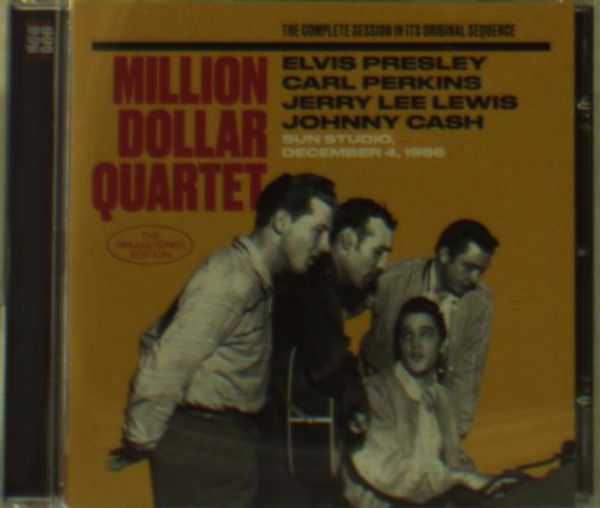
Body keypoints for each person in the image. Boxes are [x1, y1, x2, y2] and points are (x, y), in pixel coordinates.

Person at [106, 172, 337, 508]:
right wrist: (140, 438)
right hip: (206, 442)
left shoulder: (253, 277)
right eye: (318, 230)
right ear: (282, 222)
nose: (325, 246)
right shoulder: (230, 279)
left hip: (223, 439)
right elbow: (168, 360)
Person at [256, 198, 396, 507]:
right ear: (347, 241)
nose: (383, 265)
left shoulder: (317, 279)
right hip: (275, 442)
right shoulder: (314, 279)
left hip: (283, 437)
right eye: (378, 252)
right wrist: (358, 404)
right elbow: (327, 364)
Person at [344, 297, 491, 507]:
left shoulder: (442, 398)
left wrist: (489, 481)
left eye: (426, 334)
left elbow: (454, 460)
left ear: (442, 344)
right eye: (407, 335)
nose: (415, 344)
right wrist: (459, 478)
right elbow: (392, 475)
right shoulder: (372, 393)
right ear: (398, 343)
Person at [360, 219, 499, 437]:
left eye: (480, 271)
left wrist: (454, 437)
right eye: (468, 267)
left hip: (428, 418)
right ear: (444, 255)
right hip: (373, 407)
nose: (474, 279)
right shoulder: (390, 280)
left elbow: (467, 375)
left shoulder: (479, 302)